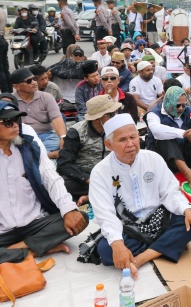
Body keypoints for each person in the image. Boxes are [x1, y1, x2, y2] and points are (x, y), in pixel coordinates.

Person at [89, 114, 191, 278]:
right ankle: (167, 245)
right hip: (127, 226)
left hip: (158, 218)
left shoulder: (153, 158)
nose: (130, 144)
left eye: (133, 137)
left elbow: (170, 192)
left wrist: (187, 209)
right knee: (106, 251)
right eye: (122, 140)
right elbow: (105, 215)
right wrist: (117, 243)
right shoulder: (100, 172)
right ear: (109, 144)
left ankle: (141, 258)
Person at [0, 101, 88, 264]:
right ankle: (35, 249)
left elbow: (50, 177)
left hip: (34, 224)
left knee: (79, 218)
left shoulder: (27, 147)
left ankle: (15, 250)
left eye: (17, 121)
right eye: (7, 122)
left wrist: (68, 209)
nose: (15, 126)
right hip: (3, 232)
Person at [146, 86, 191, 190]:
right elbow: (156, 130)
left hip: (185, 154)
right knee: (166, 137)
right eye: (178, 105)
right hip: (167, 158)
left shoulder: (187, 110)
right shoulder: (154, 114)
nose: (181, 108)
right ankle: (188, 174)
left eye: (183, 105)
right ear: (169, 102)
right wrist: (185, 134)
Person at [58, 95, 122, 205]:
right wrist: (86, 178)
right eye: (110, 114)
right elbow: (64, 164)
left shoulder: (118, 128)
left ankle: (90, 197)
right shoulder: (77, 132)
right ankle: (102, 193)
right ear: (97, 118)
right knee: (61, 184)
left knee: (129, 180)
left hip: (111, 174)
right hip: (85, 177)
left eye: (115, 113)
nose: (114, 117)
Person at [10, 68, 67, 158]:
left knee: (58, 146)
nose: (34, 82)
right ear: (16, 86)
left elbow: (56, 118)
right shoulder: (10, 101)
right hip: (22, 138)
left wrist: (63, 137)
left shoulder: (46, 97)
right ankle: (47, 155)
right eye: (29, 81)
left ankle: (37, 155)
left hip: (47, 136)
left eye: (34, 78)